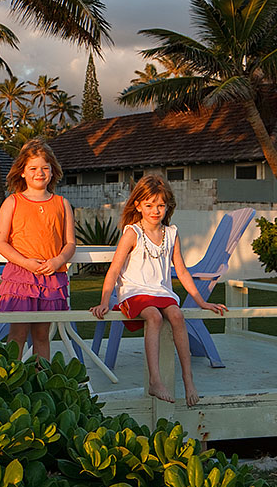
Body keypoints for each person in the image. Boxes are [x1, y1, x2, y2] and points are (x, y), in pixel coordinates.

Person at [90, 174, 227, 406]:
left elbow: (182, 271)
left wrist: (201, 301)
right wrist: (105, 300)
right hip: (134, 291)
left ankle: (187, 378)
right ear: (138, 205)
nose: (155, 210)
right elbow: (113, 270)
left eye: (161, 205)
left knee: (177, 315)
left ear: (168, 206)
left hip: (161, 291)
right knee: (153, 316)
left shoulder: (171, 233)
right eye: (149, 205)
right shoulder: (132, 232)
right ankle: (155, 380)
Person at [0, 137, 76, 361]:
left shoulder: (62, 204)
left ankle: (42, 382)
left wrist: (58, 261)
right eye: (33, 168)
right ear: (22, 172)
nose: (39, 173)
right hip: (20, 277)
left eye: (44, 168)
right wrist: (27, 263)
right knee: (18, 334)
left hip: (51, 277)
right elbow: (0, 242)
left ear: (52, 171)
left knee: (42, 335)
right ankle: (12, 379)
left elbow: (70, 243)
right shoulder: (13, 201)